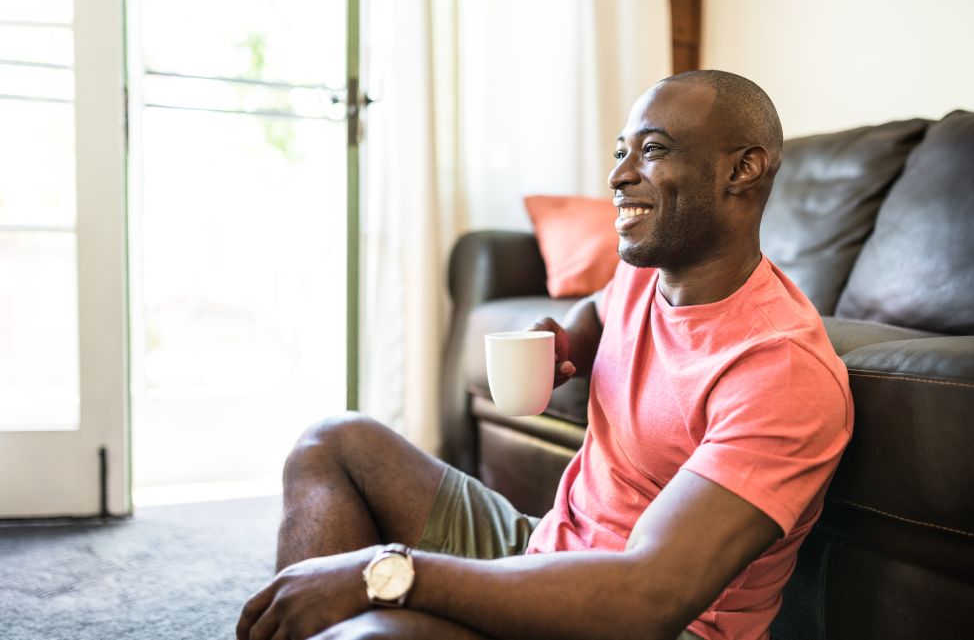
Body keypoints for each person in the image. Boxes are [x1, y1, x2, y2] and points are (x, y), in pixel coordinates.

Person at [236, 70, 853, 640]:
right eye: (621, 152)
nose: (618, 175)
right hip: (546, 551)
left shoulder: (781, 371)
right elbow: (595, 314)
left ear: (742, 170)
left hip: (639, 618)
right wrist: (565, 340)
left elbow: (648, 597)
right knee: (333, 441)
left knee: (375, 633)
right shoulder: (649, 274)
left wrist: (386, 574)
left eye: (654, 150)